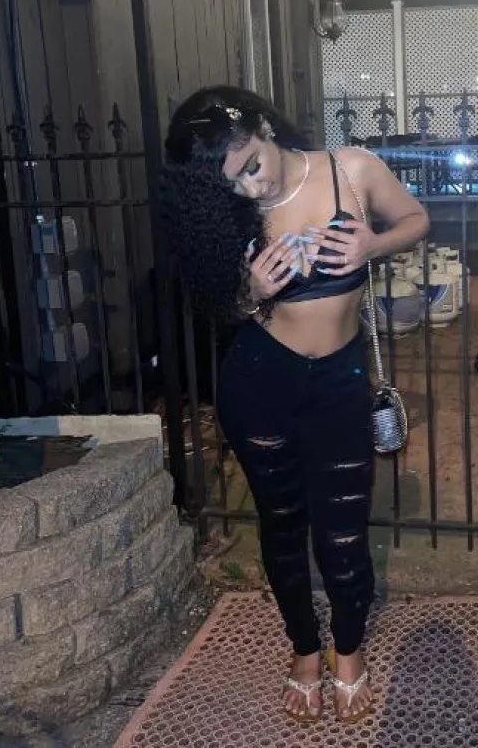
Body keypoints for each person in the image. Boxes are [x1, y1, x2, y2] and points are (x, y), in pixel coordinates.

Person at [160, 86, 430, 724]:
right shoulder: (226, 212)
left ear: (263, 126)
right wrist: (251, 292)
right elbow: (220, 308)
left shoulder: (351, 169)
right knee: (281, 527)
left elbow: (416, 220)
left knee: (343, 531)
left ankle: (348, 652)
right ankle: (305, 651)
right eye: (233, 184)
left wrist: (372, 246)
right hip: (261, 385)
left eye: (252, 165)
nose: (250, 188)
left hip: (338, 382)